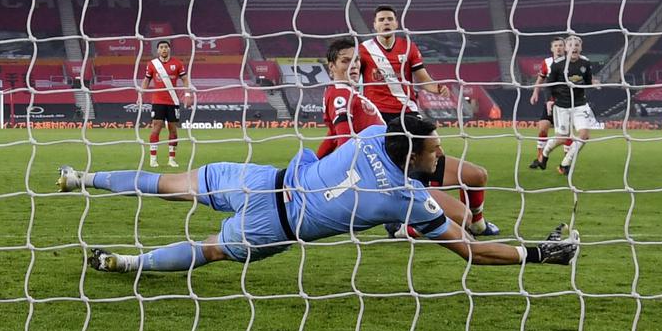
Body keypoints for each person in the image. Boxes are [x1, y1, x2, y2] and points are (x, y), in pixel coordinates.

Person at [58, 114, 577, 273]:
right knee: (212, 249)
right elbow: (471, 251)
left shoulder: (374, 136)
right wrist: (537, 254)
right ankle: (126, 263)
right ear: (415, 154)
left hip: (262, 178)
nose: (440, 156)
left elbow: (394, 134)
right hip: (277, 225)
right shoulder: (408, 201)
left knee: (169, 185)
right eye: (435, 150)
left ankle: (82, 178)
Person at [317, 37, 499, 237]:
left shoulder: (350, 93)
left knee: (476, 176)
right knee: (461, 217)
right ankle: (400, 227)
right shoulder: (339, 94)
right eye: (345, 61)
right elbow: (343, 139)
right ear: (331, 66)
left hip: (404, 160)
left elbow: (332, 136)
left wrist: (314, 164)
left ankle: (476, 225)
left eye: (356, 60)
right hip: (389, 173)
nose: (353, 66)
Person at [356, 5, 450, 122]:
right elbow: (353, 77)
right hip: (376, 110)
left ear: (396, 24)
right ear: (375, 25)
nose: (386, 22)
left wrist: (438, 88)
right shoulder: (363, 49)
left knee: (432, 139)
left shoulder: (409, 47)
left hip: (407, 109)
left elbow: (423, 79)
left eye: (390, 19)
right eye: (381, 20)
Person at [531, 35, 598, 176]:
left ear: (581, 47)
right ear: (566, 48)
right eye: (571, 45)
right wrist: (549, 100)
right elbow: (549, 85)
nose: (574, 47)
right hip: (562, 106)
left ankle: (564, 164)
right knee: (562, 138)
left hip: (580, 105)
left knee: (584, 136)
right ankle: (545, 153)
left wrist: (593, 84)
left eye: (577, 45)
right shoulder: (557, 65)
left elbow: (587, 82)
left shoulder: (585, 63)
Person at [140, 40, 192, 168]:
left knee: (173, 129)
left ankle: (171, 159)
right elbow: (146, 80)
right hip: (158, 101)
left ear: (169, 49)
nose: (164, 49)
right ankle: (153, 159)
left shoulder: (177, 63)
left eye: (166, 47)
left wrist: (187, 95)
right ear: (158, 50)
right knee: (156, 127)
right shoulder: (152, 64)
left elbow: (185, 79)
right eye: (161, 47)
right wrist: (140, 95)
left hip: (173, 102)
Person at [529, 36, 566, 168]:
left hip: (565, 102)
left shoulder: (570, 62)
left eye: (561, 45)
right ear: (552, 48)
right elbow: (540, 79)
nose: (558, 48)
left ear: (565, 47)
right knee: (543, 127)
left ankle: (566, 163)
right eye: (556, 46)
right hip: (550, 101)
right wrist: (535, 92)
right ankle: (540, 158)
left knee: (565, 135)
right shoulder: (547, 62)